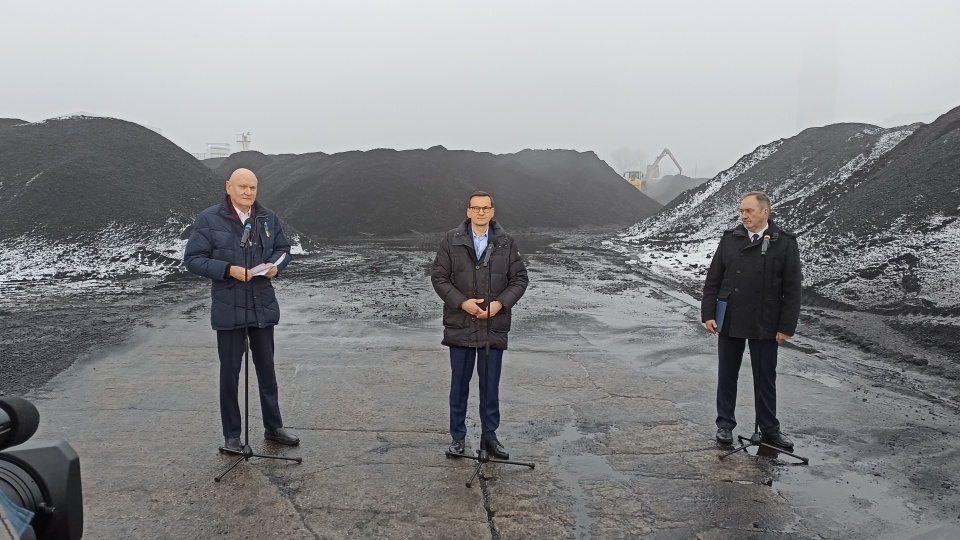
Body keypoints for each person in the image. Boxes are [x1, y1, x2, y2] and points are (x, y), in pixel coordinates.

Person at [184, 168, 299, 452]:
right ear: (228, 187)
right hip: (229, 308)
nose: (248, 192)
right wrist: (227, 270)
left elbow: (284, 249)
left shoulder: (267, 218)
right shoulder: (209, 219)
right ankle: (232, 437)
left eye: (253, 187)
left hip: (262, 305)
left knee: (267, 371)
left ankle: (273, 426)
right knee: (230, 373)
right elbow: (193, 259)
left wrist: (275, 266)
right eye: (242, 187)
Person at [431, 191, 529, 459]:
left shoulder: (507, 243)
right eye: (476, 208)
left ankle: (490, 438)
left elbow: (519, 279)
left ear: (493, 211)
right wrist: (462, 303)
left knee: (490, 387)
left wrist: (500, 304)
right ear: (468, 211)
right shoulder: (451, 241)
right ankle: (458, 438)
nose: (481, 212)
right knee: (459, 385)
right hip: (460, 324)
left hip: (492, 327)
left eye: (486, 208)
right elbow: (439, 278)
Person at [701, 191, 801, 449]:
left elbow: (792, 289)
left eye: (749, 211)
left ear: (765, 212)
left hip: (766, 320)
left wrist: (786, 326)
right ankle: (725, 425)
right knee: (727, 374)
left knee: (765, 377)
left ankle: (769, 429)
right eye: (741, 211)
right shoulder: (730, 240)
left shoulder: (785, 243)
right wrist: (709, 314)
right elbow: (713, 279)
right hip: (732, 315)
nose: (743, 216)